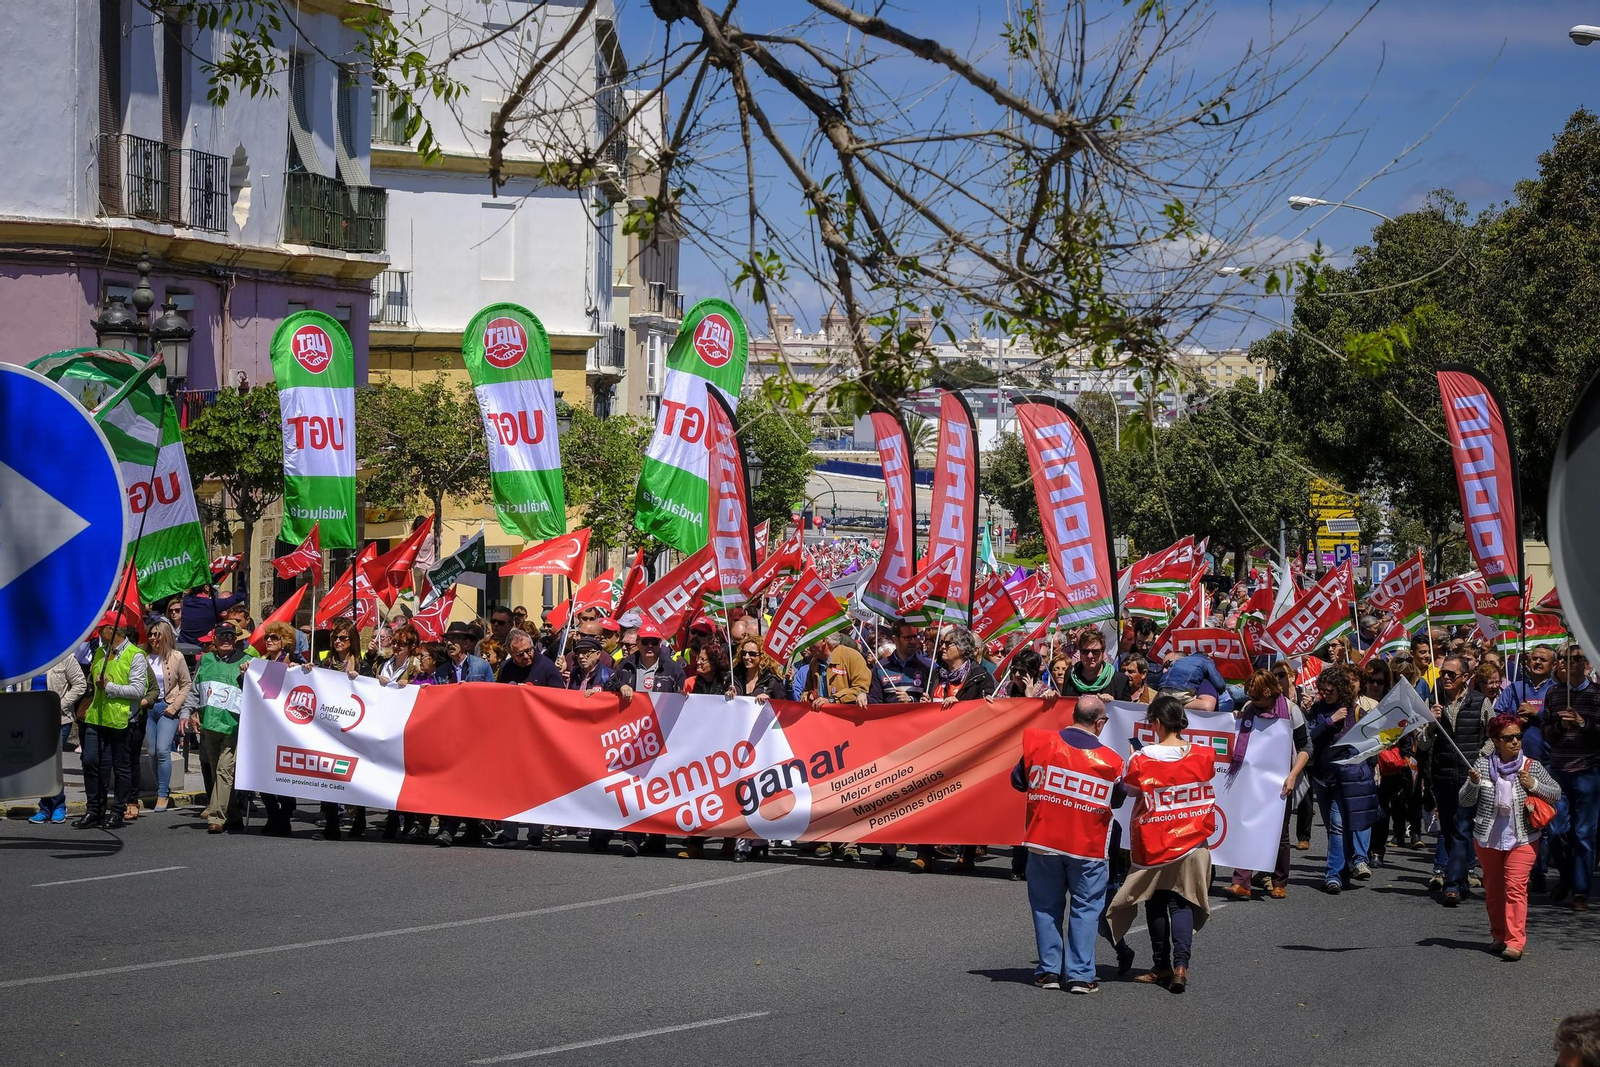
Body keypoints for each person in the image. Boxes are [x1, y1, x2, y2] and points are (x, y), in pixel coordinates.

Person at [1011, 693, 1128, 994]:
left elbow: (1018, 781)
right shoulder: (1112, 761)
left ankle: (1049, 972)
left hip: (1043, 841)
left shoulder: (1039, 743)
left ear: (1073, 715)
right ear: (1100, 723)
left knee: (1046, 907)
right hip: (1087, 846)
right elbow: (1116, 800)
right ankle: (1079, 976)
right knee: (1086, 908)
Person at [1105, 695, 1217, 994]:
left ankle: (1161, 966)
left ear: (1155, 722)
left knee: (1154, 902)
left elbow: (1126, 792)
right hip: (1193, 842)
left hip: (1154, 844)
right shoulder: (1203, 754)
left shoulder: (1142, 758)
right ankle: (1181, 965)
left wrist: (1134, 759)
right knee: (1181, 902)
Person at [1459, 712, 1562, 960]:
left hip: (1524, 837)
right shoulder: (1482, 766)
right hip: (1488, 837)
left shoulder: (1531, 766)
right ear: (1495, 740)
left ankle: (1515, 942)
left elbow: (1556, 794)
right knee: (1493, 889)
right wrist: (1472, 784)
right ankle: (1499, 935)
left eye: (1518, 736)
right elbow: (1464, 800)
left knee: (1515, 888)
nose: (1515, 742)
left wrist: (1534, 785)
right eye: (1509, 738)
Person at [911, 627, 997, 873]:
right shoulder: (936, 674)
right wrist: (926, 705)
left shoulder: (980, 676)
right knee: (927, 800)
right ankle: (924, 853)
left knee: (966, 804)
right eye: (943, 643)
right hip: (935, 747)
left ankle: (966, 855)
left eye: (948, 643)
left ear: (962, 648)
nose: (943, 647)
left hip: (965, 749)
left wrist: (962, 707)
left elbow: (989, 709)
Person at [1226, 669, 1311, 900]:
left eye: (1256, 697)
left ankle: (1278, 881)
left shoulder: (1291, 710)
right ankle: (1241, 882)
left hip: (1281, 780)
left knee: (1280, 833)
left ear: (1270, 693)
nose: (1252, 702)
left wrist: (1293, 775)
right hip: (1251, 780)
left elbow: (1306, 748)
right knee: (1246, 827)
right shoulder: (1248, 710)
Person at [1306, 665, 1380, 892]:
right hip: (1321, 776)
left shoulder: (1356, 712)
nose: (1326, 694)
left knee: (1338, 826)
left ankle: (1333, 876)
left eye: (1330, 691)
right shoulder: (1317, 709)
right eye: (1323, 690)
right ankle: (1344, 870)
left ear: (1341, 690)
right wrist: (1329, 722)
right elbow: (1308, 737)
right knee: (1332, 827)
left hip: (1345, 778)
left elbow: (1372, 741)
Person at [1426, 654, 1490, 905]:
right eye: (1443, 673)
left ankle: (1451, 884)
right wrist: (1431, 723)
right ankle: (1461, 881)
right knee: (1451, 830)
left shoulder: (1480, 702)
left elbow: (1494, 737)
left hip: (1470, 777)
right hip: (1442, 775)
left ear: (1466, 677)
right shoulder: (1433, 702)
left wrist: (1478, 759)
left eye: (1452, 674)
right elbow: (1421, 742)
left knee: (1463, 828)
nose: (1446, 678)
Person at [73, 611, 147, 830]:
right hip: (97, 717)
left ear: (110, 630)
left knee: (121, 767)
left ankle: (117, 812)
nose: (98, 635)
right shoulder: (100, 652)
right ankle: (94, 810)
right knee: (90, 762)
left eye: (101, 630)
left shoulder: (135, 655)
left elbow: (138, 690)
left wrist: (110, 687)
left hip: (121, 720)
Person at [1544, 644, 1599, 911]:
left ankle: (1581, 891)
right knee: (1555, 831)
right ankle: (1566, 878)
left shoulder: (1597, 694)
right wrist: (1558, 726)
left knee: (1584, 833)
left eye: (1577, 658)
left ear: (1587, 664)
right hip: (1559, 770)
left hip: (1588, 771)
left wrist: (1582, 724)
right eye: (1565, 658)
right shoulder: (1554, 694)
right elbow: (1546, 732)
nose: (1570, 663)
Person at [190, 623, 251, 834]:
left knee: (225, 771)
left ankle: (216, 817)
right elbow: (195, 687)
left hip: (234, 727)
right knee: (218, 773)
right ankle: (234, 816)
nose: (226, 639)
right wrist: (191, 712)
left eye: (230, 636)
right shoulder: (206, 660)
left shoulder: (248, 662)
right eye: (222, 636)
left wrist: (248, 675)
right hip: (210, 725)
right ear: (214, 639)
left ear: (236, 639)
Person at [28, 654, 87, 824]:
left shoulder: (65, 657)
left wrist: (59, 704)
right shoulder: (28, 658)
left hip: (59, 719)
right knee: (40, 763)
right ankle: (45, 807)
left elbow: (80, 684)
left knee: (52, 762)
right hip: (33, 719)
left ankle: (59, 806)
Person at [143, 621, 192, 814]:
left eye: (158, 634)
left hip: (167, 707)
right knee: (152, 753)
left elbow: (186, 684)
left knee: (163, 750)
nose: (154, 638)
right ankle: (162, 787)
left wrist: (175, 706)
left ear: (166, 635)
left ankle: (162, 794)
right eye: (151, 635)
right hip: (148, 708)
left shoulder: (176, 656)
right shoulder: (143, 657)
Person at [867, 621, 933, 702]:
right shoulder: (880, 667)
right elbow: (875, 702)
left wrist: (911, 700)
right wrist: (862, 695)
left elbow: (932, 703)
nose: (913, 641)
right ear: (895, 639)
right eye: (908, 638)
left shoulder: (928, 666)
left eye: (915, 637)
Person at [1062, 629, 1131, 700]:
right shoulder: (1070, 674)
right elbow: (1064, 706)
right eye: (1085, 651)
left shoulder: (1119, 680)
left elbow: (1126, 709)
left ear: (1103, 652)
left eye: (1096, 652)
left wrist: (1113, 704)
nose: (1090, 656)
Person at [497, 629, 566, 686]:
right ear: (511, 654)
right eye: (520, 654)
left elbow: (558, 696)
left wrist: (531, 692)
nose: (526, 656)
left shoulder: (547, 667)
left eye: (528, 650)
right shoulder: (505, 667)